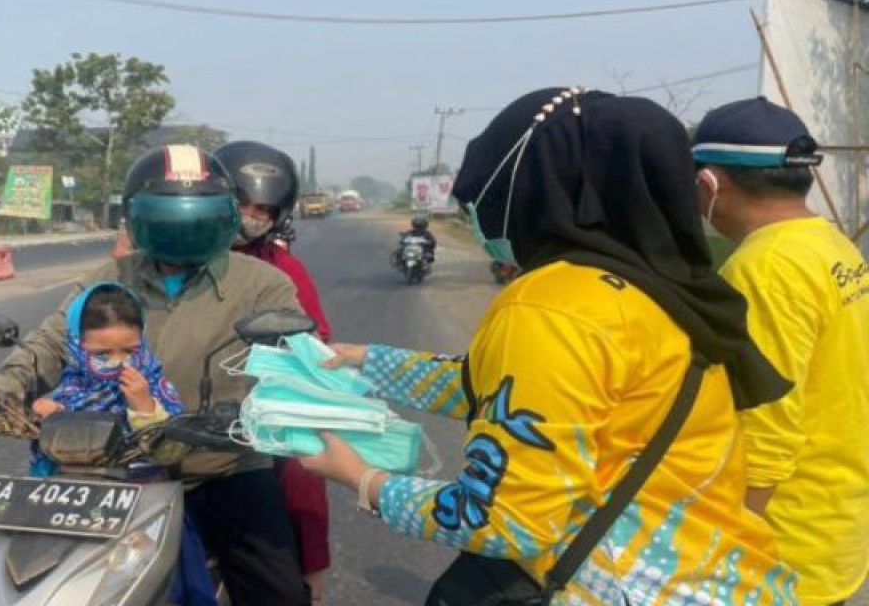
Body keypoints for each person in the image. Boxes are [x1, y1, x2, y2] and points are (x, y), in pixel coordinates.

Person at [299, 87, 797, 603]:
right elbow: (515, 392)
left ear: (537, 190)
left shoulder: (549, 306)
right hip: (721, 575)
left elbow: (506, 522)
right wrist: (363, 363)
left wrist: (361, 479)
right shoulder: (659, 288)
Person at [0, 144, 310, 606]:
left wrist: (269, 409)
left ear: (223, 217)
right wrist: (0, 387)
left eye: (197, 219)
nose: (184, 231)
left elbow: (297, 363)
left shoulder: (262, 283)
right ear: (137, 218)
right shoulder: (112, 275)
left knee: (279, 595)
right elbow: (51, 340)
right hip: (117, 470)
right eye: (169, 219)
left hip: (220, 467)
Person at [692, 97, 869, 606]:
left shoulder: (763, 268)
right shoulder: (833, 246)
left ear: (709, 184)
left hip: (776, 547)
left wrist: (727, 547)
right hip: (834, 525)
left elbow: (766, 424)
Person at [214, 140, 333, 605]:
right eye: (240, 203)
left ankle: (312, 577)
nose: (249, 216)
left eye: (261, 209)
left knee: (303, 462)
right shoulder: (162, 254)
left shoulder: (284, 269)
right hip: (163, 398)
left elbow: (314, 342)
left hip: (249, 407)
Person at [27, 282, 184, 475]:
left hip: (139, 489)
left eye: (129, 351)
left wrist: (145, 408)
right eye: (102, 353)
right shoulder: (74, 384)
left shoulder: (152, 383)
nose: (118, 361)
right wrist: (55, 414)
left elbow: (171, 453)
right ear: (77, 344)